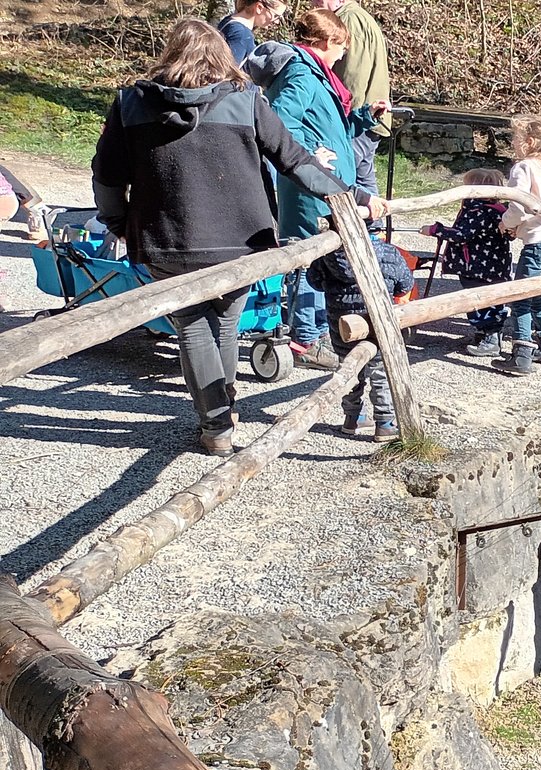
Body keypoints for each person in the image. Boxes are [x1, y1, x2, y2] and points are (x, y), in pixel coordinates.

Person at [92, 18, 385, 456]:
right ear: (221, 56)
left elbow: (106, 174)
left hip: (166, 238)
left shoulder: (132, 103)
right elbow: (294, 160)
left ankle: (216, 425)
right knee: (225, 324)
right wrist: (352, 193)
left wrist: (117, 222)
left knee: (191, 327)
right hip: (241, 239)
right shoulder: (245, 99)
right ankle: (222, 413)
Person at [244, 9, 390, 370]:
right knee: (312, 257)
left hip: (329, 182)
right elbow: (279, 121)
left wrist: (364, 117)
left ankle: (318, 330)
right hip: (309, 187)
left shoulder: (317, 74)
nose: (342, 56)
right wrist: (310, 156)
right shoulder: (302, 72)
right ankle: (307, 338)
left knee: (330, 257)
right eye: (341, 48)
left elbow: (327, 125)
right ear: (326, 42)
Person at [307, 230, 411, 442]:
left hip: (342, 327)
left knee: (350, 371)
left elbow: (314, 282)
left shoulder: (328, 257)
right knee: (380, 373)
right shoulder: (388, 253)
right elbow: (405, 285)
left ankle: (352, 418)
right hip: (377, 325)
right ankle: (385, 422)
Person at [496, 115, 541, 376]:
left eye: (515, 139)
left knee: (521, 297)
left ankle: (522, 352)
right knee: (538, 293)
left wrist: (507, 223)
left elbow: (517, 204)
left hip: (538, 241)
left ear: (527, 142)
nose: (512, 143)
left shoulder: (523, 167)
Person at [421, 168, 514, 357]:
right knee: (492, 299)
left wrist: (435, 230)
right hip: (495, 265)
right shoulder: (499, 210)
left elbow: (462, 235)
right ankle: (486, 334)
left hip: (476, 267)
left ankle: (490, 338)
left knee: (479, 299)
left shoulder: (477, 211)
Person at [313, 0, 391, 203]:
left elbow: (351, 78)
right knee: (364, 180)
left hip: (359, 118)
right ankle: (375, 231)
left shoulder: (348, 20)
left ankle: (348, 229)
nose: (313, 3)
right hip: (371, 117)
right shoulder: (360, 16)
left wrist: (344, 119)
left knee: (342, 178)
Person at [216, 0, 287, 64]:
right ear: (259, 8)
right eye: (276, 16)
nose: (277, 22)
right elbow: (228, 72)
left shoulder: (229, 21)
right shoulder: (242, 35)